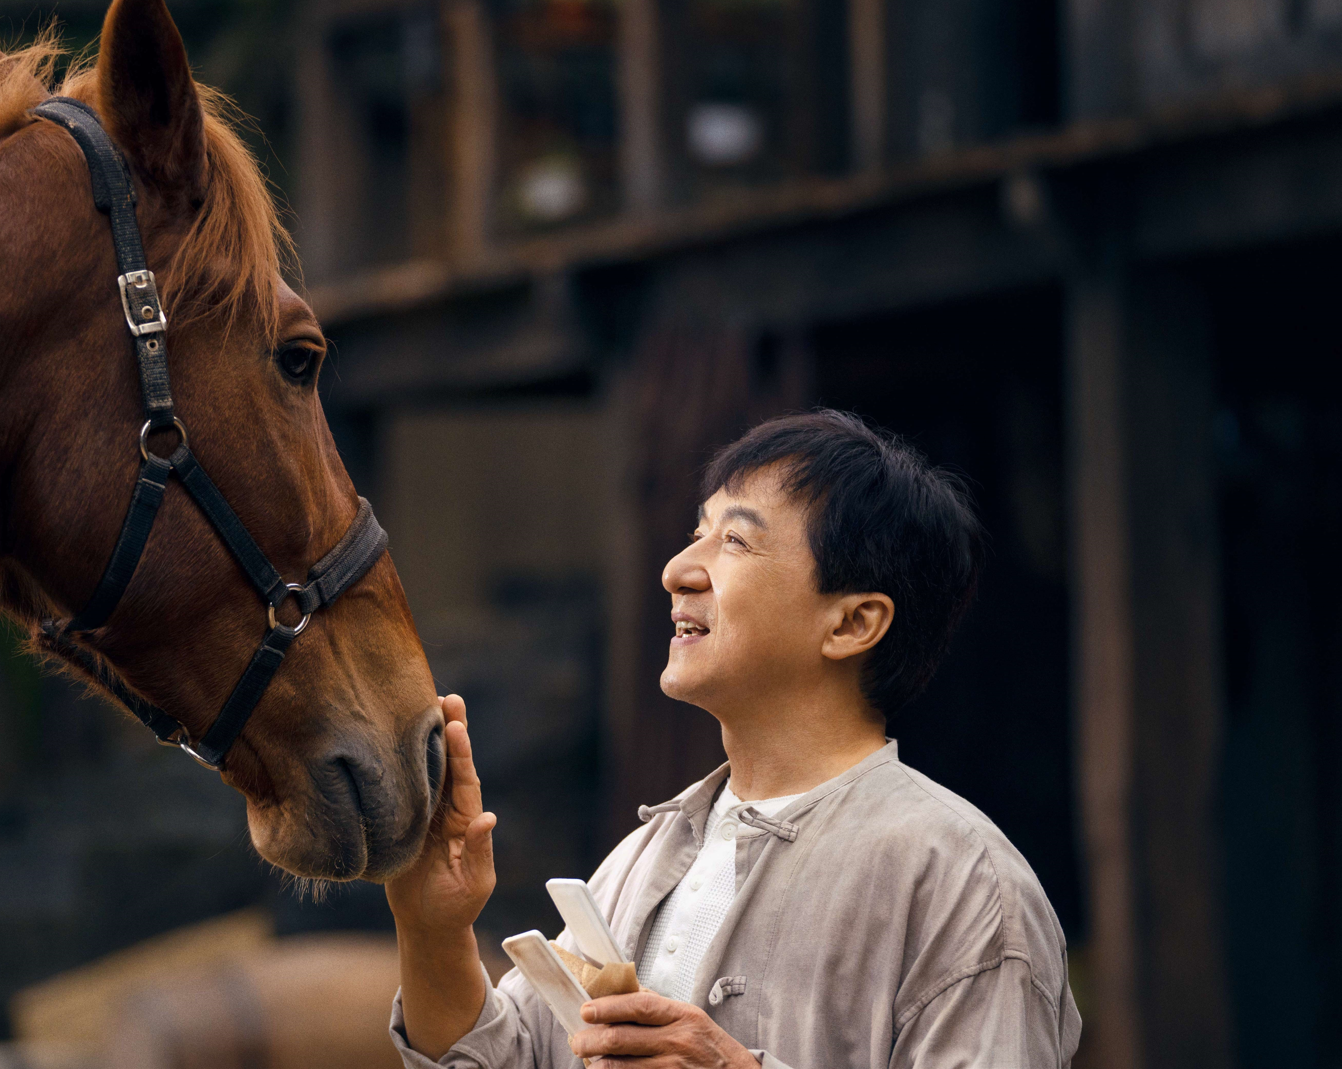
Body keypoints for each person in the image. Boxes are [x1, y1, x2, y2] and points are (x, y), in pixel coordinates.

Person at [386, 410, 1080, 1068]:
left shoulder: (963, 883)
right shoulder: (644, 856)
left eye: (735, 540)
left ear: (851, 623)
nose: (677, 569)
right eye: (697, 531)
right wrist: (434, 932)